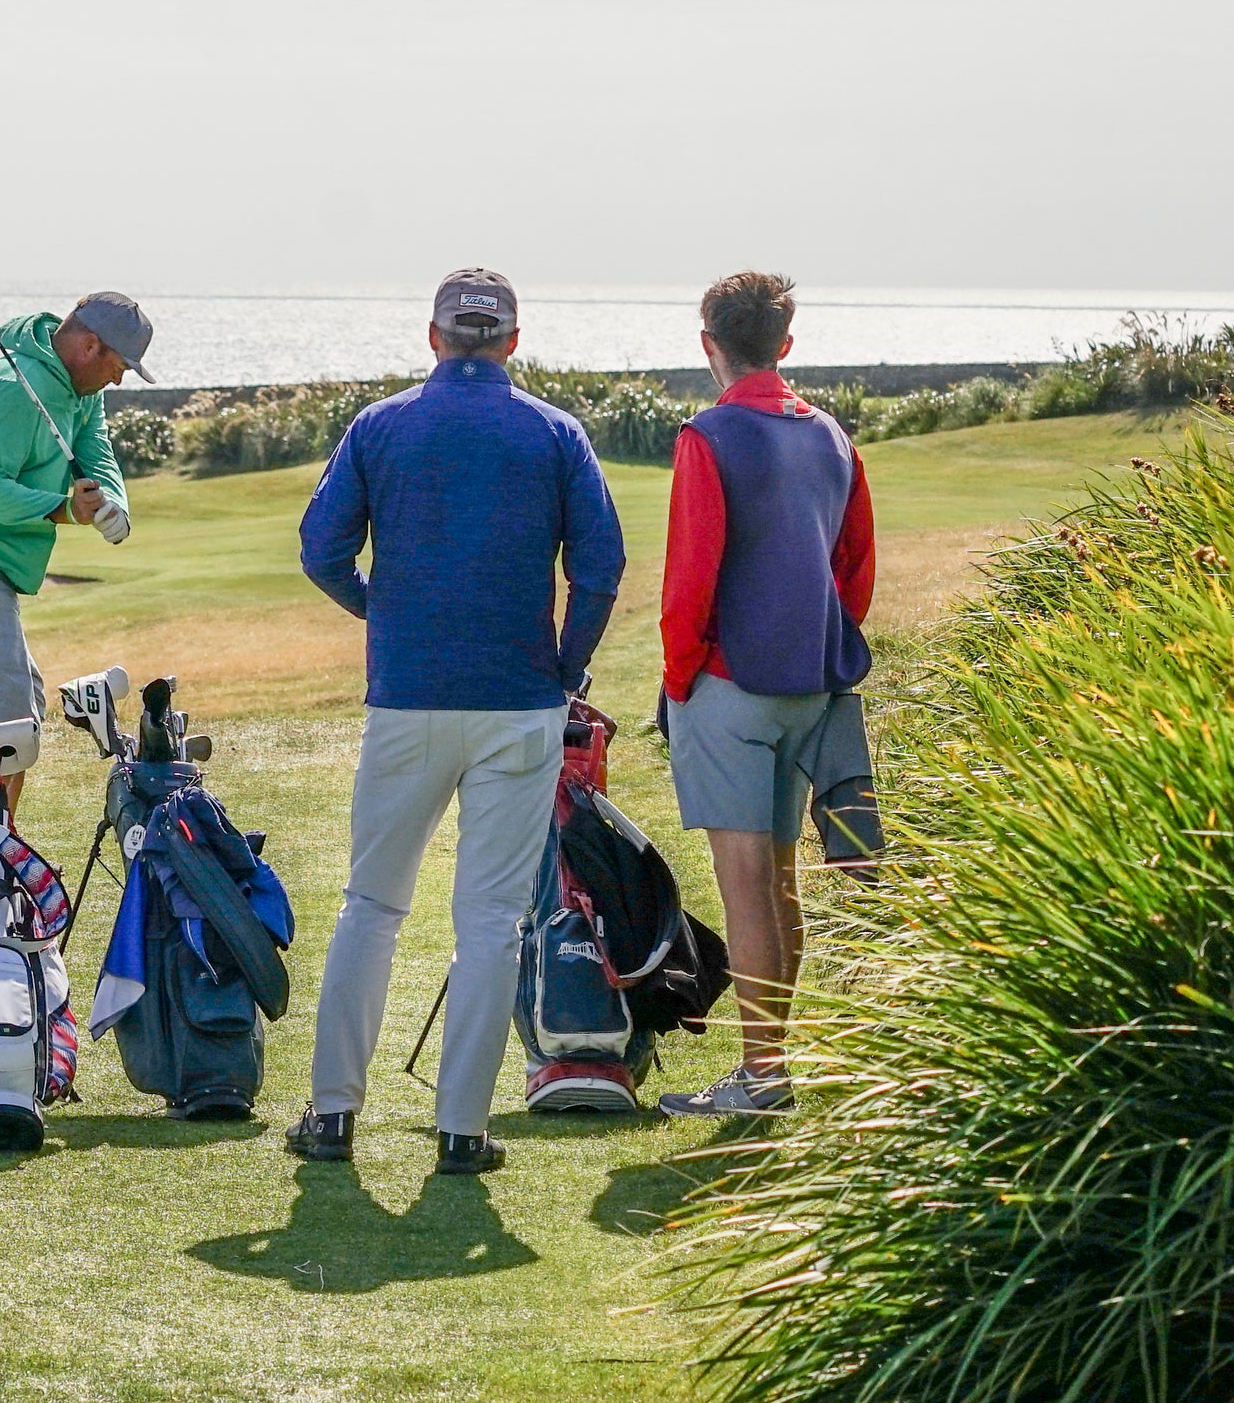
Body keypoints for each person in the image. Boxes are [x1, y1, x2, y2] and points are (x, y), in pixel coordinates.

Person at [288, 267, 626, 1174]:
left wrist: (383, 613)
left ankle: (333, 1116)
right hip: (519, 702)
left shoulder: (381, 425)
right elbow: (600, 569)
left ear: (435, 336)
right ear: (512, 341)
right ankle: (461, 1131)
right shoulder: (555, 432)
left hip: (408, 697)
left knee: (372, 904)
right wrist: (566, 667)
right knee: (491, 921)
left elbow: (322, 549)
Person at [652, 270, 876, 1120]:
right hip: (810, 688)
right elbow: (854, 573)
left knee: (746, 886)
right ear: (784, 343)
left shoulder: (707, 436)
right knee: (780, 884)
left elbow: (689, 581)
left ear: (708, 344)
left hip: (727, 685)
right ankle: (771, 1069)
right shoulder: (833, 437)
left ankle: (762, 1076)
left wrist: (680, 681)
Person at [0, 293, 154, 745]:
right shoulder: (14, 388)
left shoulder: (79, 387)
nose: (118, 379)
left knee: (24, 703)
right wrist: (64, 509)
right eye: (119, 365)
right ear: (90, 346)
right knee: (6, 723)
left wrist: (114, 503)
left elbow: (94, 445)